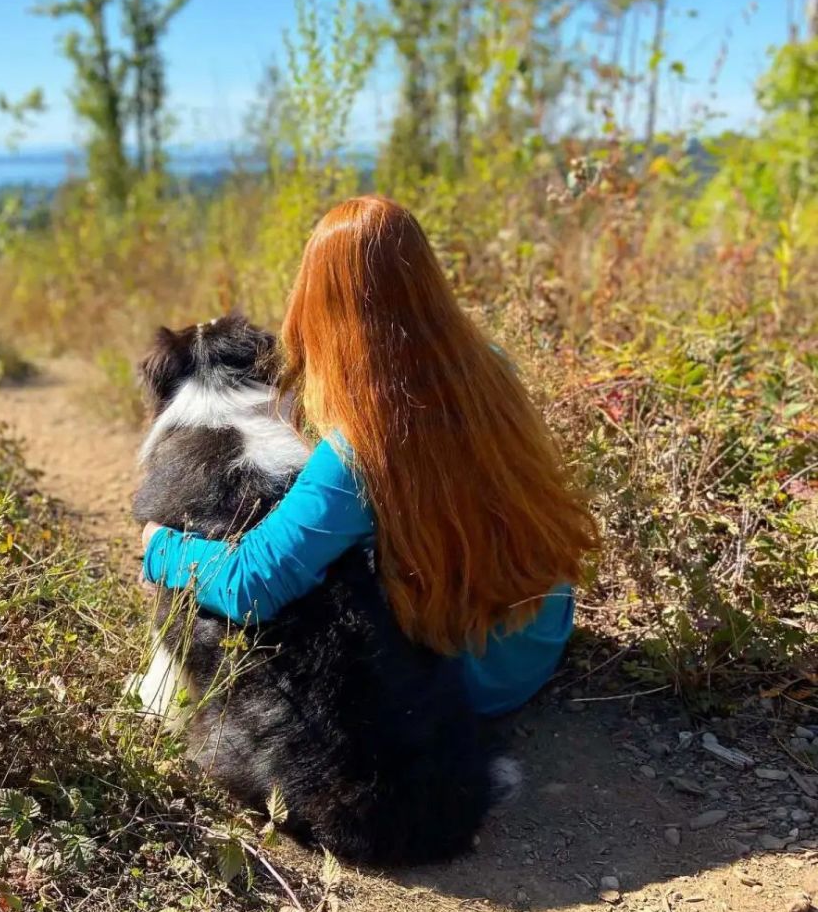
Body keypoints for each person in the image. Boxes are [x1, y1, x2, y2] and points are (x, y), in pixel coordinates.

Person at [141, 195, 599, 717]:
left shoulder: (361, 446)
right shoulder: (492, 371)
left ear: (319, 303)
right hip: (539, 642)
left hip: (465, 685)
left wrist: (160, 547)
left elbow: (255, 581)